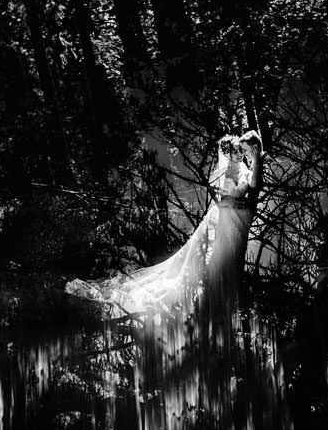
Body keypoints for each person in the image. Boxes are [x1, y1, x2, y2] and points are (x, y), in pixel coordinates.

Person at [66, 130, 263, 316]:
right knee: (219, 261)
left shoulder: (245, 170)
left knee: (228, 261)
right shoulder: (222, 173)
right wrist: (230, 201)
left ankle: (223, 304)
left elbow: (251, 185)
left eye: (241, 151)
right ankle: (211, 304)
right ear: (228, 154)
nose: (240, 154)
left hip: (236, 223)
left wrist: (256, 162)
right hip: (225, 222)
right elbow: (221, 199)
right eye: (236, 151)